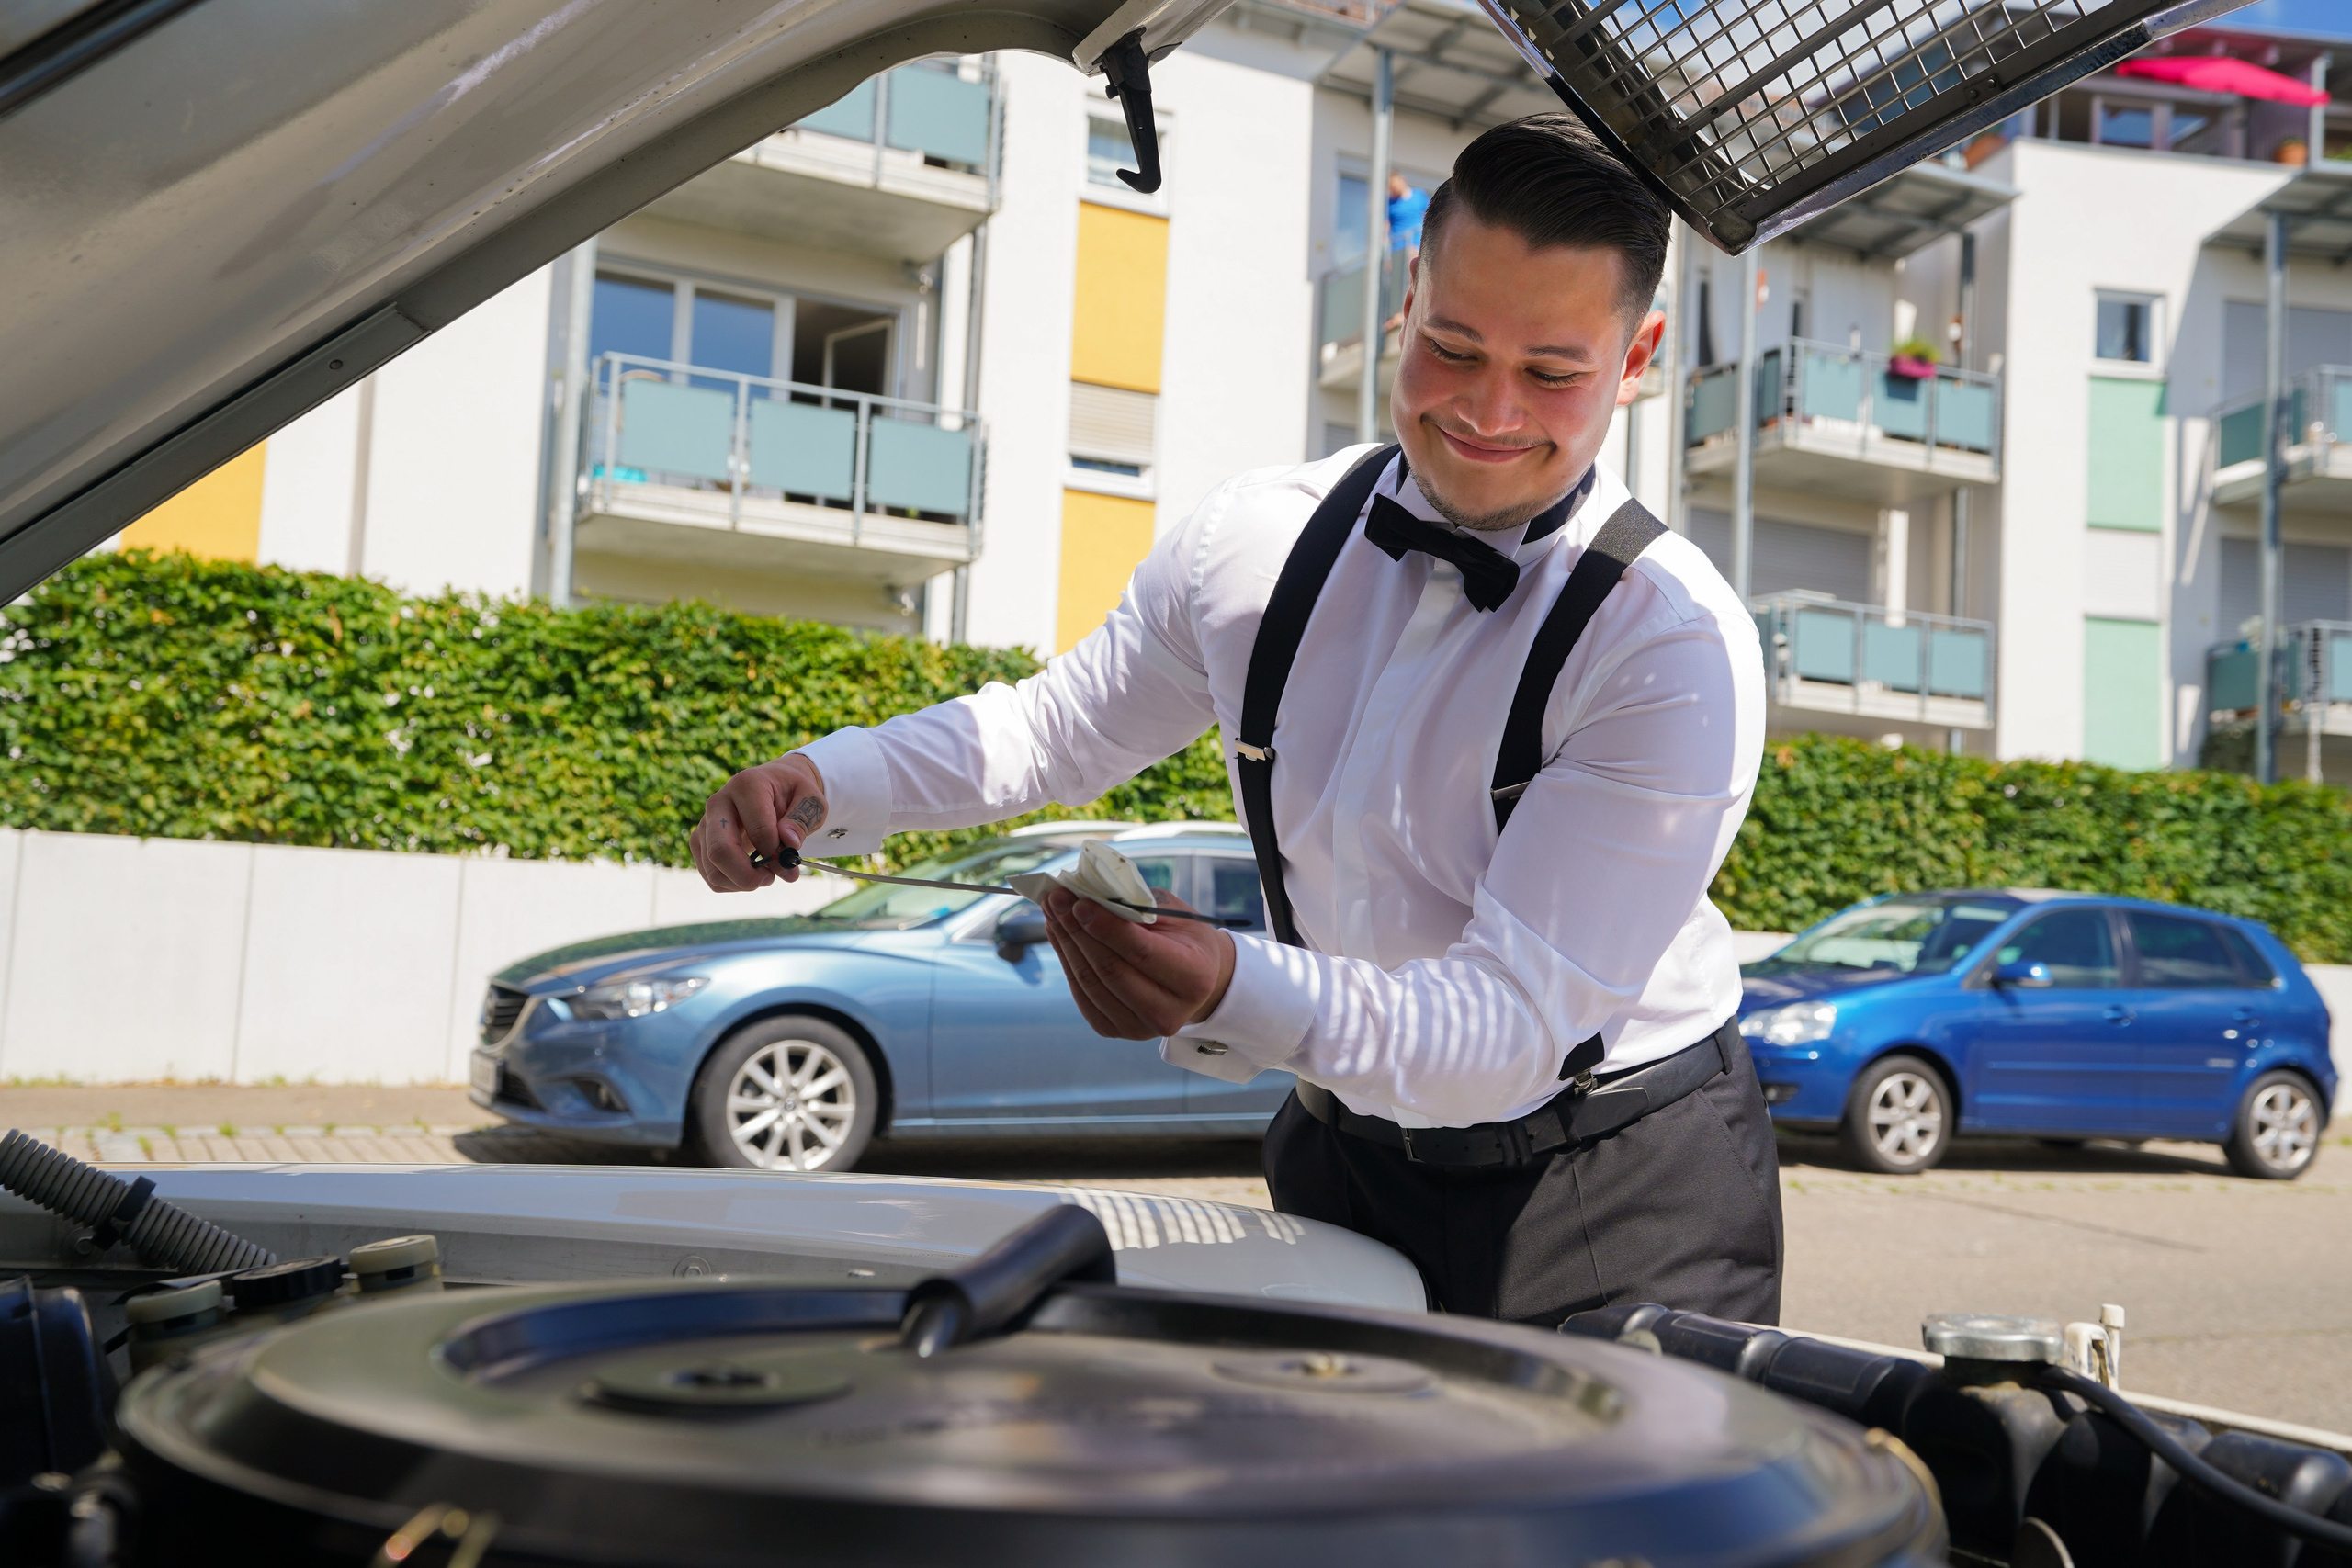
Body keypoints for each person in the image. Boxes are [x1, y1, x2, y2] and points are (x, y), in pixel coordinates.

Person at [691, 114, 1778, 1328]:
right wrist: (828, 783)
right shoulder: (1255, 542)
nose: (1487, 410)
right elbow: (1058, 728)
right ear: (1407, 300)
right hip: (1341, 1156)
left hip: (1617, 1193)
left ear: (1638, 359)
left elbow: (1513, 1026)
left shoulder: (1671, 646)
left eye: (1552, 374)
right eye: (1453, 347)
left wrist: (1229, 987)